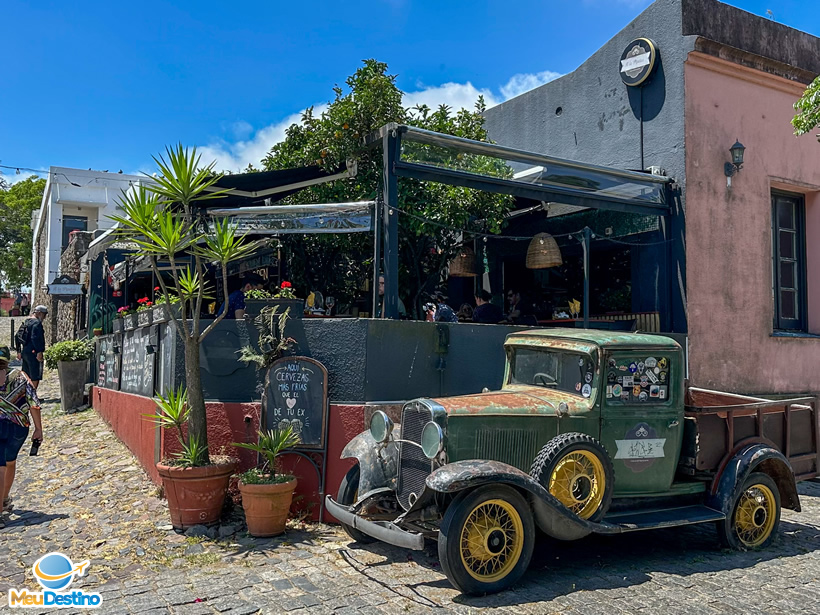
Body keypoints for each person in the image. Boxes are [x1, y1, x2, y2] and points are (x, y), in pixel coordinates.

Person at [0, 346, 42, 528]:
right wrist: (38, 429)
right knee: (10, 463)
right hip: (19, 427)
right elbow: (34, 403)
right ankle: (4, 499)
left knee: (1, 467)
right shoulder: (21, 377)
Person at [19, 305, 47, 390]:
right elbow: (35, 337)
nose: (45, 317)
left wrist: (19, 351)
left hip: (25, 351)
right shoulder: (37, 323)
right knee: (35, 374)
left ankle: (26, 394)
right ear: (39, 313)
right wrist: (39, 351)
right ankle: (33, 395)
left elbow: (17, 336)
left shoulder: (27, 322)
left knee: (26, 374)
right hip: (33, 352)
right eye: (44, 314)